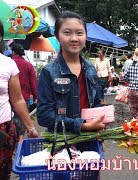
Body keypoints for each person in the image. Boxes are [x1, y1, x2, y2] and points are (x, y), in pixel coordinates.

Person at [37, 11, 107, 135]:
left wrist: (100, 120)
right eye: (67, 33)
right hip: (62, 142)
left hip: (90, 137)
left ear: (85, 36)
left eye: (79, 33)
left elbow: (97, 101)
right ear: (57, 36)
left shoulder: (90, 68)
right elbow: (44, 116)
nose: (74, 38)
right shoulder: (48, 72)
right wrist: (82, 126)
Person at [0, 20, 38, 180]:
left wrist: (31, 127)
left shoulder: (8, 64)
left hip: (3, 130)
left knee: (3, 173)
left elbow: (17, 99)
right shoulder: (26, 64)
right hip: (28, 96)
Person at [11, 43, 38, 142]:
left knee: (10, 119)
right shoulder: (29, 65)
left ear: (13, 52)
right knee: (21, 118)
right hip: (24, 97)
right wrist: (36, 97)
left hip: (9, 97)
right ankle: (21, 139)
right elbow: (33, 83)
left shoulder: (9, 63)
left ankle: (12, 140)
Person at [124, 47, 138, 120]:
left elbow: (125, 78)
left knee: (134, 110)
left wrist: (132, 81)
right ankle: (137, 123)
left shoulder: (130, 66)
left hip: (131, 92)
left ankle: (134, 125)